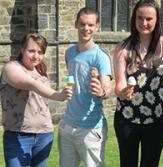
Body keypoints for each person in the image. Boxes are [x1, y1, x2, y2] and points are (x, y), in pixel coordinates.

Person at [113, 0, 163, 166]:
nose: (144, 23)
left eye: (149, 18)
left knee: (150, 164)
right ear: (134, 19)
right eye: (139, 18)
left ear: (157, 20)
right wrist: (123, 92)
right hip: (127, 119)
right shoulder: (123, 47)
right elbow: (120, 83)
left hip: (156, 120)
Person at [0, 33, 71, 167]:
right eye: (31, 51)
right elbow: (31, 84)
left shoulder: (40, 71)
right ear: (22, 50)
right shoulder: (11, 68)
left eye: (40, 52)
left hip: (44, 134)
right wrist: (58, 95)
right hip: (18, 135)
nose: (36, 56)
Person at [58, 7, 112, 167]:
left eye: (90, 25)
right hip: (67, 126)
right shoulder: (70, 52)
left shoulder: (101, 57)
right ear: (76, 24)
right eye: (82, 24)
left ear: (97, 27)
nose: (86, 29)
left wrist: (102, 91)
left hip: (90, 129)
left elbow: (107, 87)